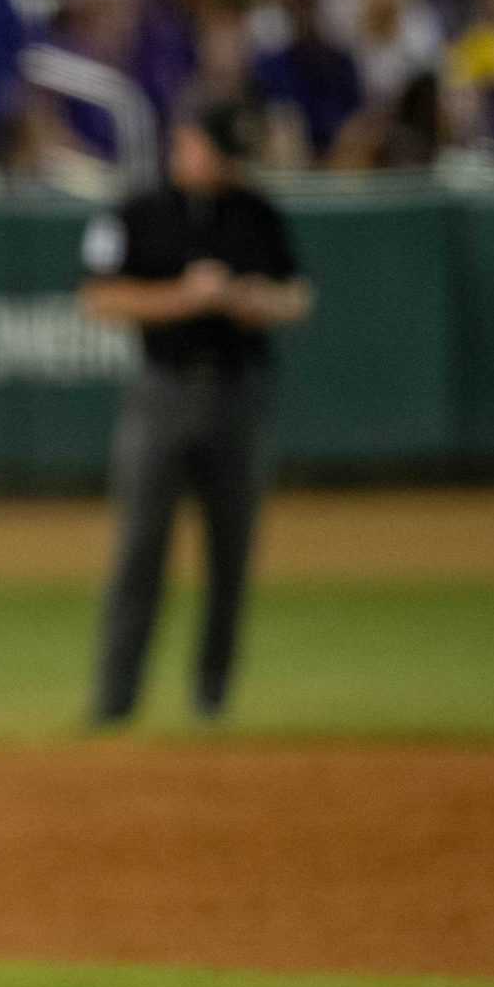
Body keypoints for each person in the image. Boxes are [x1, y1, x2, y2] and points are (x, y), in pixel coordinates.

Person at [78, 102, 312, 726]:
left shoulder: (255, 211)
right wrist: (186, 297)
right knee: (138, 554)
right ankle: (114, 704)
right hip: (163, 391)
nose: (200, 157)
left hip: (239, 393)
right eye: (200, 144)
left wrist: (243, 298)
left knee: (231, 556)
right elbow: (99, 297)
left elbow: (295, 297)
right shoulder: (142, 210)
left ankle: (212, 702)